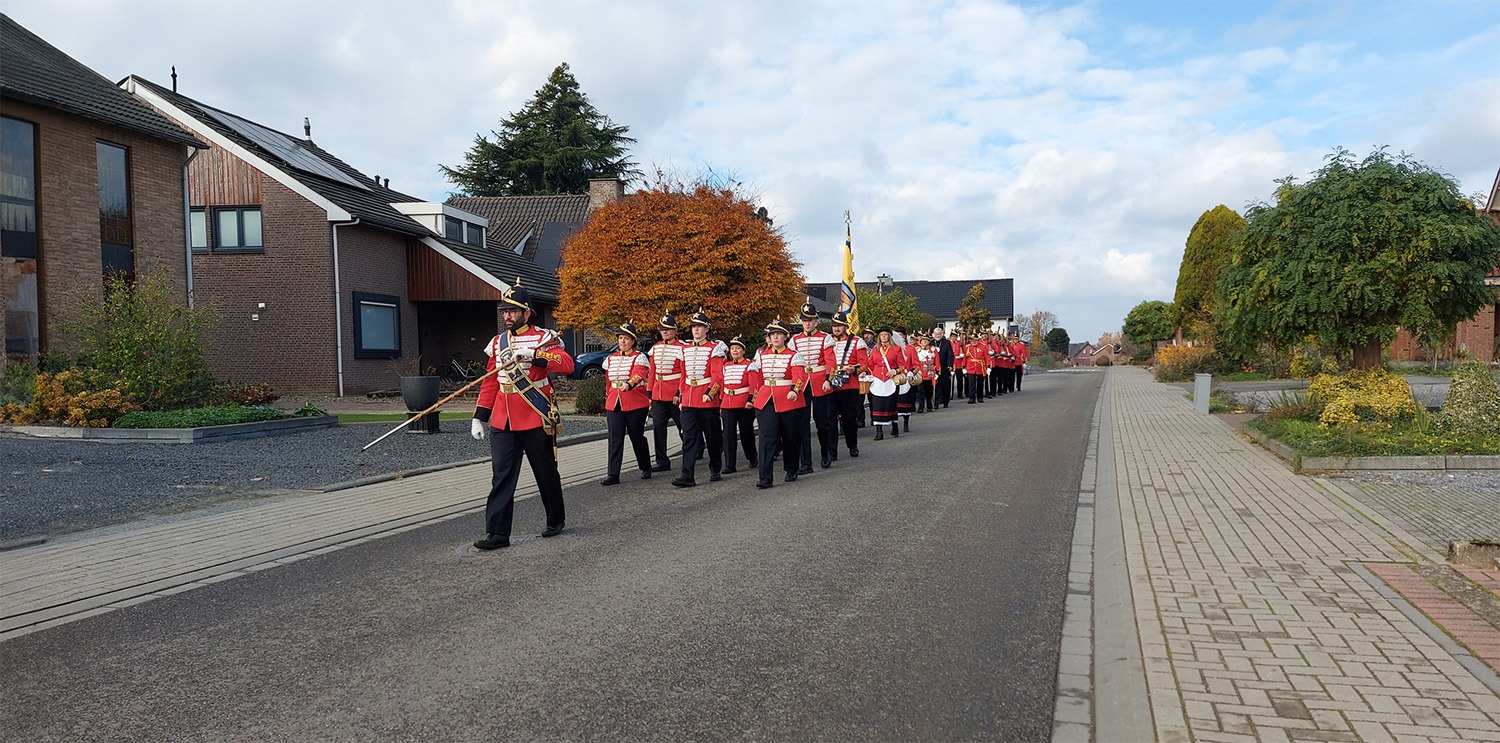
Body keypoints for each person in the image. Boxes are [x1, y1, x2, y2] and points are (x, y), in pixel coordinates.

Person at [469, 282, 575, 550]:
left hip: (535, 415)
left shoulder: (544, 338)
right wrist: (479, 416)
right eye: (505, 311)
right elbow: (491, 381)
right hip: (503, 419)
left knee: (545, 472)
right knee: (501, 476)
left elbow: (567, 365)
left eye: (513, 311)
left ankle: (555, 519)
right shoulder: (498, 343)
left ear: (527, 313)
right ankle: (497, 533)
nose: (507, 316)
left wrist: (536, 355)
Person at [750, 319, 808, 488]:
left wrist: (795, 390)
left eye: (779, 334)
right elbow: (758, 379)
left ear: (785, 337)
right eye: (772, 334)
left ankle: (791, 469)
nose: (775, 337)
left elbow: (799, 376)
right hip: (766, 400)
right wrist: (755, 397)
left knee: (790, 437)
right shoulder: (761, 355)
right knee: (766, 437)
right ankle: (765, 477)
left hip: (789, 400)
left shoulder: (794, 355)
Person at [674, 309, 726, 487]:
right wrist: (681, 396)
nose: (696, 329)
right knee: (689, 438)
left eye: (700, 326)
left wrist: (710, 393)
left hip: (707, 400)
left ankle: (715, 467)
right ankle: (687, 475)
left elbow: (718, 376)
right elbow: (683, 376)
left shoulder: (714, 349)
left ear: (707, 329)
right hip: (689, 399)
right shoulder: (684, 350)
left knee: (712, 437)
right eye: (693, 326)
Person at [599, 321, 652, 486]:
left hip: (635, 403)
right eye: (620, 338)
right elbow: (608, 381)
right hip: (614, 402)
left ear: (633, 341)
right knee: (615, 439)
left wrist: (629, 384)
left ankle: (645, 466)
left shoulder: (639, 357)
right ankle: (613, 474)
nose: (622, 341)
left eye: (626, 338)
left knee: (636, 437)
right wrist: (608, 395)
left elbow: (639, 374)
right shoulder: (611, 358)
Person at [790, 300, 837, 471]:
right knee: (802, 423)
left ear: (816, 320)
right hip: (802, 384)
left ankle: (826, 453)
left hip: (820, 383)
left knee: (822, 423)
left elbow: (831, 362)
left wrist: (828, 379)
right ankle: (806, 462)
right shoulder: (794, 340)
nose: (807, 323)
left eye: (810, 320)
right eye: (804, 320)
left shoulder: (825, 338)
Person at [647, 313, 687, 472]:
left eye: (668, 329)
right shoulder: (656, 348)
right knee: (658, 428)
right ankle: (662, 460)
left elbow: (684, 373)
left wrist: (680, 392)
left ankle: (694, 449)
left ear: (675, 330)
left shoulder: (682, 348)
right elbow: (652, 371)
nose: (665, 332)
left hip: (674, 393)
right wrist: (649, 393)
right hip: (658, 393)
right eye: (662, 329)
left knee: (683, 426)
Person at [828, 312, 867, 458]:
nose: (836, 329)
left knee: (849, 419)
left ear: (846, 326)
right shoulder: (827, 342)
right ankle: (832, 451)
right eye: (834, 326)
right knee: (830, 420)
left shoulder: (857, 342)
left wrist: (854, 369)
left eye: (839, 326)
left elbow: (864, 364)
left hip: (849, 386)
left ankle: (852, 445)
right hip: (830, 386)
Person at [718, 336, 757, 474]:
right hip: (728, 404)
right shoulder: (725, 366)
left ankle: (752, 457)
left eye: (738, 348)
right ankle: (730, 464)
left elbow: (754, 385)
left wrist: (751, 400)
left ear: (743, 351)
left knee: (746, 433)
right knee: (728, 434)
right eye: (732, 348)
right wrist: (721, 402)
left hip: (744, 404)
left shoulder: (750, 365)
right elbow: (722, 385)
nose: (735, 351)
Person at [865, 326, 905, 440]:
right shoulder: (875, 349)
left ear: (889, 336)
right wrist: (869, 374)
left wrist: (895, 371)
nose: (883, 337)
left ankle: (894, 426)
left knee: (890, 404)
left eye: (885, 334)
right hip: (877, 381)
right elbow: (870, 364)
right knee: (877, 405)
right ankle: (879, 431)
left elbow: (902, 365)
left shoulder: (896, 349)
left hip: (890, 381)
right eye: (881, 335)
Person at [914, 333, 937, 413]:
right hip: (920, 373)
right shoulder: (917, 350)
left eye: (926, 340)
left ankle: (929, 405)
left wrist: (937, 371)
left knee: (929, 391)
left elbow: (937, 361)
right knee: (920, 391)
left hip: (930, 373)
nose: (924, 341)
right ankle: (921, 407)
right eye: (923, 340)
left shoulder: (933, 350)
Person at [965, 331, 989, 404]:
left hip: (980, 367)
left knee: (980, 383)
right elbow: (965, 358)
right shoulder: (968, 347)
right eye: (972, 340)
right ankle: (971, 398)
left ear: (977, 340)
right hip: (971, 367)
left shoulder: (983, 346)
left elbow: (987, 357)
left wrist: (988, 366)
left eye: (975, 340)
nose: (973, 342)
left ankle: (980, 397)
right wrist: (964, 367)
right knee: (971, 384)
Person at [934, 326, 954, 409]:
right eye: (936, 334)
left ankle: (946, 401)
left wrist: (950, 365)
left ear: (942, 334)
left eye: (939, 334)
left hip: (945, 367)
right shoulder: (931, 343)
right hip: (934, 368)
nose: (937, 336)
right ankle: (936, 402)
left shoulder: (946, 343)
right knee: (936, 385)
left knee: (945, 385)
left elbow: (950, 355)